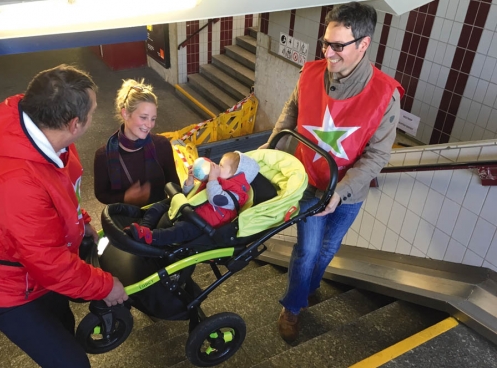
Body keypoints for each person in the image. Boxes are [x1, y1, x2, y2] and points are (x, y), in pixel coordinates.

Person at [0, 65, 129, 368]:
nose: (95, 116)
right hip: (3, 290)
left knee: (64, 326)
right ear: (75, 123)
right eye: (93, 111)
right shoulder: (15, 184)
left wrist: (81, 221)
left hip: (31, 274)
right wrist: (106, 285)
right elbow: (50, 264)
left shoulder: (47, 138)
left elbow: (61, 193)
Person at [260, 2, 404, 341]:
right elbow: (290, 113)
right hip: (307, 182)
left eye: (338, 46)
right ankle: (293, 307)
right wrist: (270, 152)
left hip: (347, 193)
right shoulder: (310, 73)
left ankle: (307, 288)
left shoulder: (386, 95)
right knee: (307, 250)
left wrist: (340, 193)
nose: (328, 53)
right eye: (326, 43)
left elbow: (376, 156)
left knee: (327, 249)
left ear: (363, 44)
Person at [129, 151, 259, 246]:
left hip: (200, 224)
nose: (217, 167)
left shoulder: (235, 194)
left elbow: (216, 199)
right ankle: (143, 228)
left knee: (180, 231)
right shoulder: (214, 181)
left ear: (235, 175)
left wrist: (212, 179)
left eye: (222, 166)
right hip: (189, 210)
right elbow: (190, 195)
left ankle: (151, 237)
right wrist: (190, 180)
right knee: (159, 206)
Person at [93, 79, 180, 206]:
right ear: (126, 114)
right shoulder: (103, 156)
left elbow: (174, 185)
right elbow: (101, 194)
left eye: (153, 119)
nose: (149, 125)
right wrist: (125, 198)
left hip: (161, 219)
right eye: (143, 117)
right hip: (126, 220)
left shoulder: (162, 145)